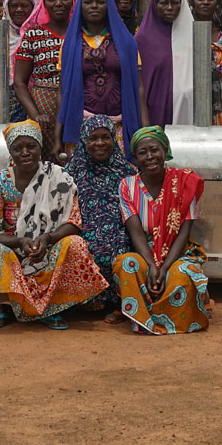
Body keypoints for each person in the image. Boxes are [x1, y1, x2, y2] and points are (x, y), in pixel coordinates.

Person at [0, 120, 107, 328]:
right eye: (17, 148)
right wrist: (20, 241)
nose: (25, 152)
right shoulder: (0, 182)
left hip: (47, 248)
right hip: (13, 250)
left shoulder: (58, 178)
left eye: (31, 146)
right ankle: (2, 305)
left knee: (74, 244)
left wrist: (48, 238)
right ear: (10, 152)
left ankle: (51, 306)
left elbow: (74, 223)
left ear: (40, 148)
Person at [114, 126, 211, 334]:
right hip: (145, 252)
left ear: (165, 151)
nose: (150, 157)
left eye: (154, 150)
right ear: (135, 158)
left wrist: (164, 268)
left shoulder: (185, 183)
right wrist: (150, 265)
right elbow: (136, 232)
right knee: (126, 264)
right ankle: (144, 317)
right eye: (142, 152)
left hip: (177, 253)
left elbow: (184, 232)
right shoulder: (127, 186)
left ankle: (162, 316)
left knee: (183, 274)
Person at [65, 113, 136, 320]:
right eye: (93, 138)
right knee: (81, 246)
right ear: (84, 141)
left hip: (119, 231)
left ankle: (119, 303)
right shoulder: (72, 172)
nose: (100, 143)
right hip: (81, 230)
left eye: (105, 137)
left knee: (121, 245)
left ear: (114, 139)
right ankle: (85, 301)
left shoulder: (126, 171)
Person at [57, 0, 142, 150]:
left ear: (109, 5)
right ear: (80, 7)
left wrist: (144, 130)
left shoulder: (126, 43)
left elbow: (139, 88)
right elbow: (62, 92)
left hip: (118, 125)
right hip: (82, 126)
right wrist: (58, 136)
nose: (94, 6)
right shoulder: (69, 45)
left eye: (100, 2)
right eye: (88, 2)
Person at [12, 0, 74, 157]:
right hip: (43, 107)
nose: (58, 3)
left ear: (73, 0)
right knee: (44, 161)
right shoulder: (33, 35)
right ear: (43, 3)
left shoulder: (80, 34)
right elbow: (19, 82)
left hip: (76, 104)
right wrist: (35, 114)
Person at [135, 0, 193, 126]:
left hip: (187, 110)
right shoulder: (142, 39)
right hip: (153, 112)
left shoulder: (192, 35)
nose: (170, 7)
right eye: (164, 3)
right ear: (155, 5)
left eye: (175, 2)